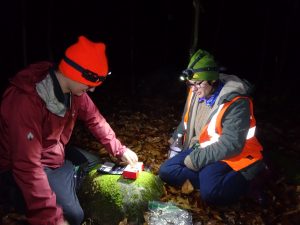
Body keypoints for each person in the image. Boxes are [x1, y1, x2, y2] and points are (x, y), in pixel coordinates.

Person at [0, 35, 138, 225]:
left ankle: (66, 184)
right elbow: (27, 166)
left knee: (96, 165)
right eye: (90, 85)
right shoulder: (25, 101)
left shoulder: (75, 92)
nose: (92, 90)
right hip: (24, 168)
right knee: (74, 216)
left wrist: (120, 150)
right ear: (74, 73)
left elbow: (95, 119)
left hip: (55, 155)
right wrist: (51, 217)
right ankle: (24, 200)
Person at [159, 49, 264, 205]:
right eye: (190, 84)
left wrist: (197, 159)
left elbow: (231, 144)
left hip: (230, 156)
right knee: (166, 171)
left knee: (211, 195)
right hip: (201, 148)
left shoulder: (236, 102)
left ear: (213, 81)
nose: (193, 89)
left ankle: (251, 179)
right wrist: (176, 136)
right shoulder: (195, 91)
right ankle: (209, 178)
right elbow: (186, 119)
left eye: (197, 84)